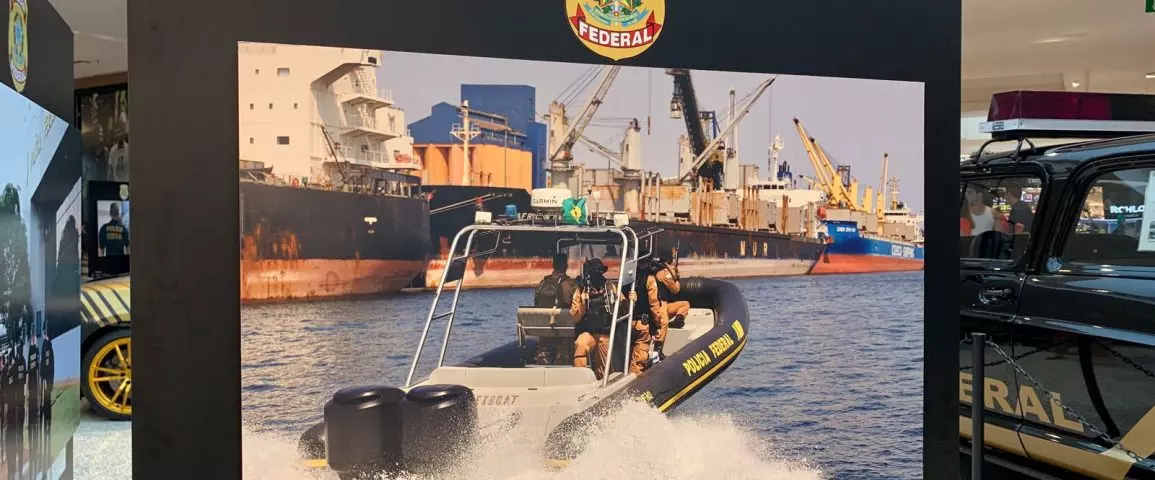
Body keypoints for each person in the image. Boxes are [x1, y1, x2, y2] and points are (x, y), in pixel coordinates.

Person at [569, 258, 636, 380]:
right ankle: (580, 378)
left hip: (605, 333)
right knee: (581, 345)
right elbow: (574, 317)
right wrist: (583, 306)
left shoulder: (611, 287)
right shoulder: (581, 290)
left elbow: (623, 308)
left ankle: (602, 380)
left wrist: (630, 301)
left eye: (599, 273)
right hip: (588, 332)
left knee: (604, 369)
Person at [531, 254, 578, 365]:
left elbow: (536, 303)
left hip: (544, 334)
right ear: (565, 266)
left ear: (553, 265)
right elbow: (577, 307)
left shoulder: (542, 284)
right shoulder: (571, 284)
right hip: (565, 336)